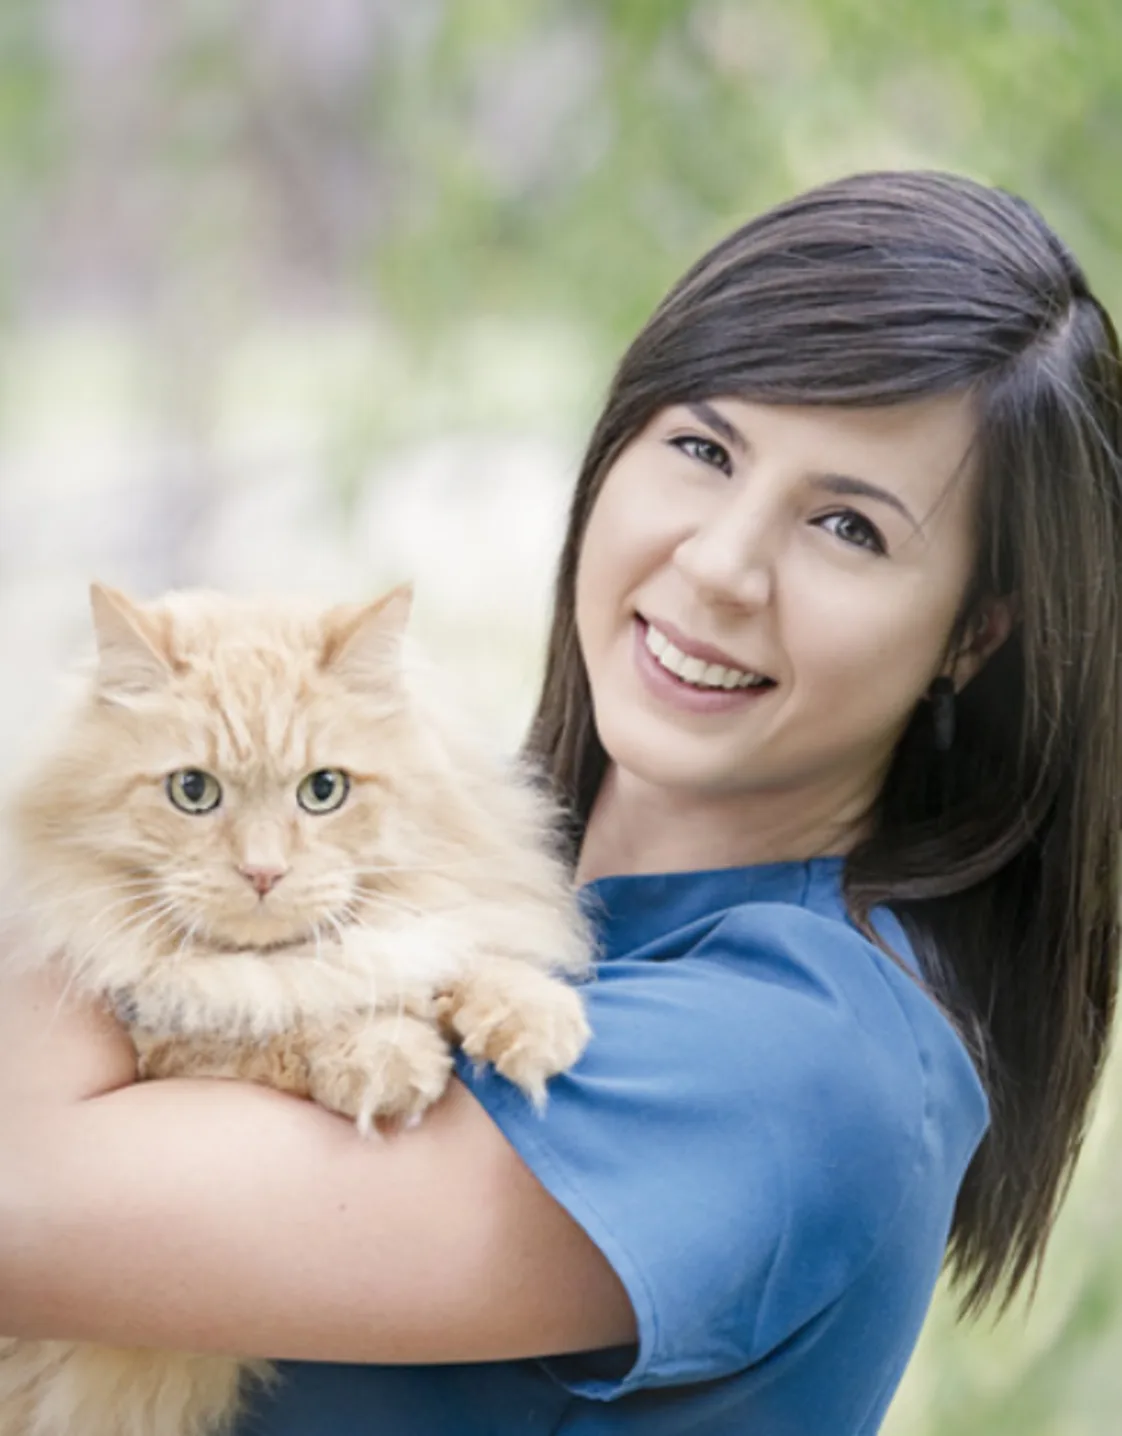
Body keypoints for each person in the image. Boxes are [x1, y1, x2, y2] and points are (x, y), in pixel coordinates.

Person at [1, 169, 1120, 1436]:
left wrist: (80, 824)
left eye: (849, 528)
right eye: (704, 449)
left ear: (975, 635)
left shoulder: (804, 1058)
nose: (719, 565)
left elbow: (22, 1204)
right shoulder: (469, 860)